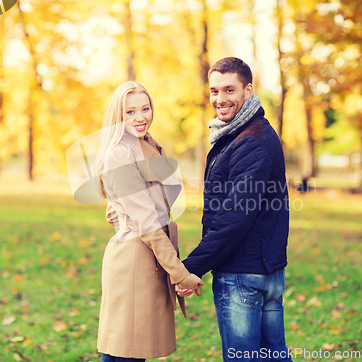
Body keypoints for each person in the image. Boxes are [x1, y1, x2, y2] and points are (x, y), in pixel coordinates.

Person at [176, 57, 293, 362]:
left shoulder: (250, 140)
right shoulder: (243, 134)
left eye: (229, 90)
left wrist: (190, 268)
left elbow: (234, 218)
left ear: (248, 90)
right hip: (264, 269)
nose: (220, 99)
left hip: (243, 274)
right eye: (214, 91)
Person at [93, 81, 204, 362]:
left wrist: (123, 213)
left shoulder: (147, 145)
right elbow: (149, 224)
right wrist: (180, 273)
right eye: (130, 111)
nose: (140, 117)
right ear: (118, 115)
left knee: (130, 351)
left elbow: (115, 211)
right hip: (134, 263)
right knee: (125, 351)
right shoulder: (121, 153)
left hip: (148, 258)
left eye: (145, 108)